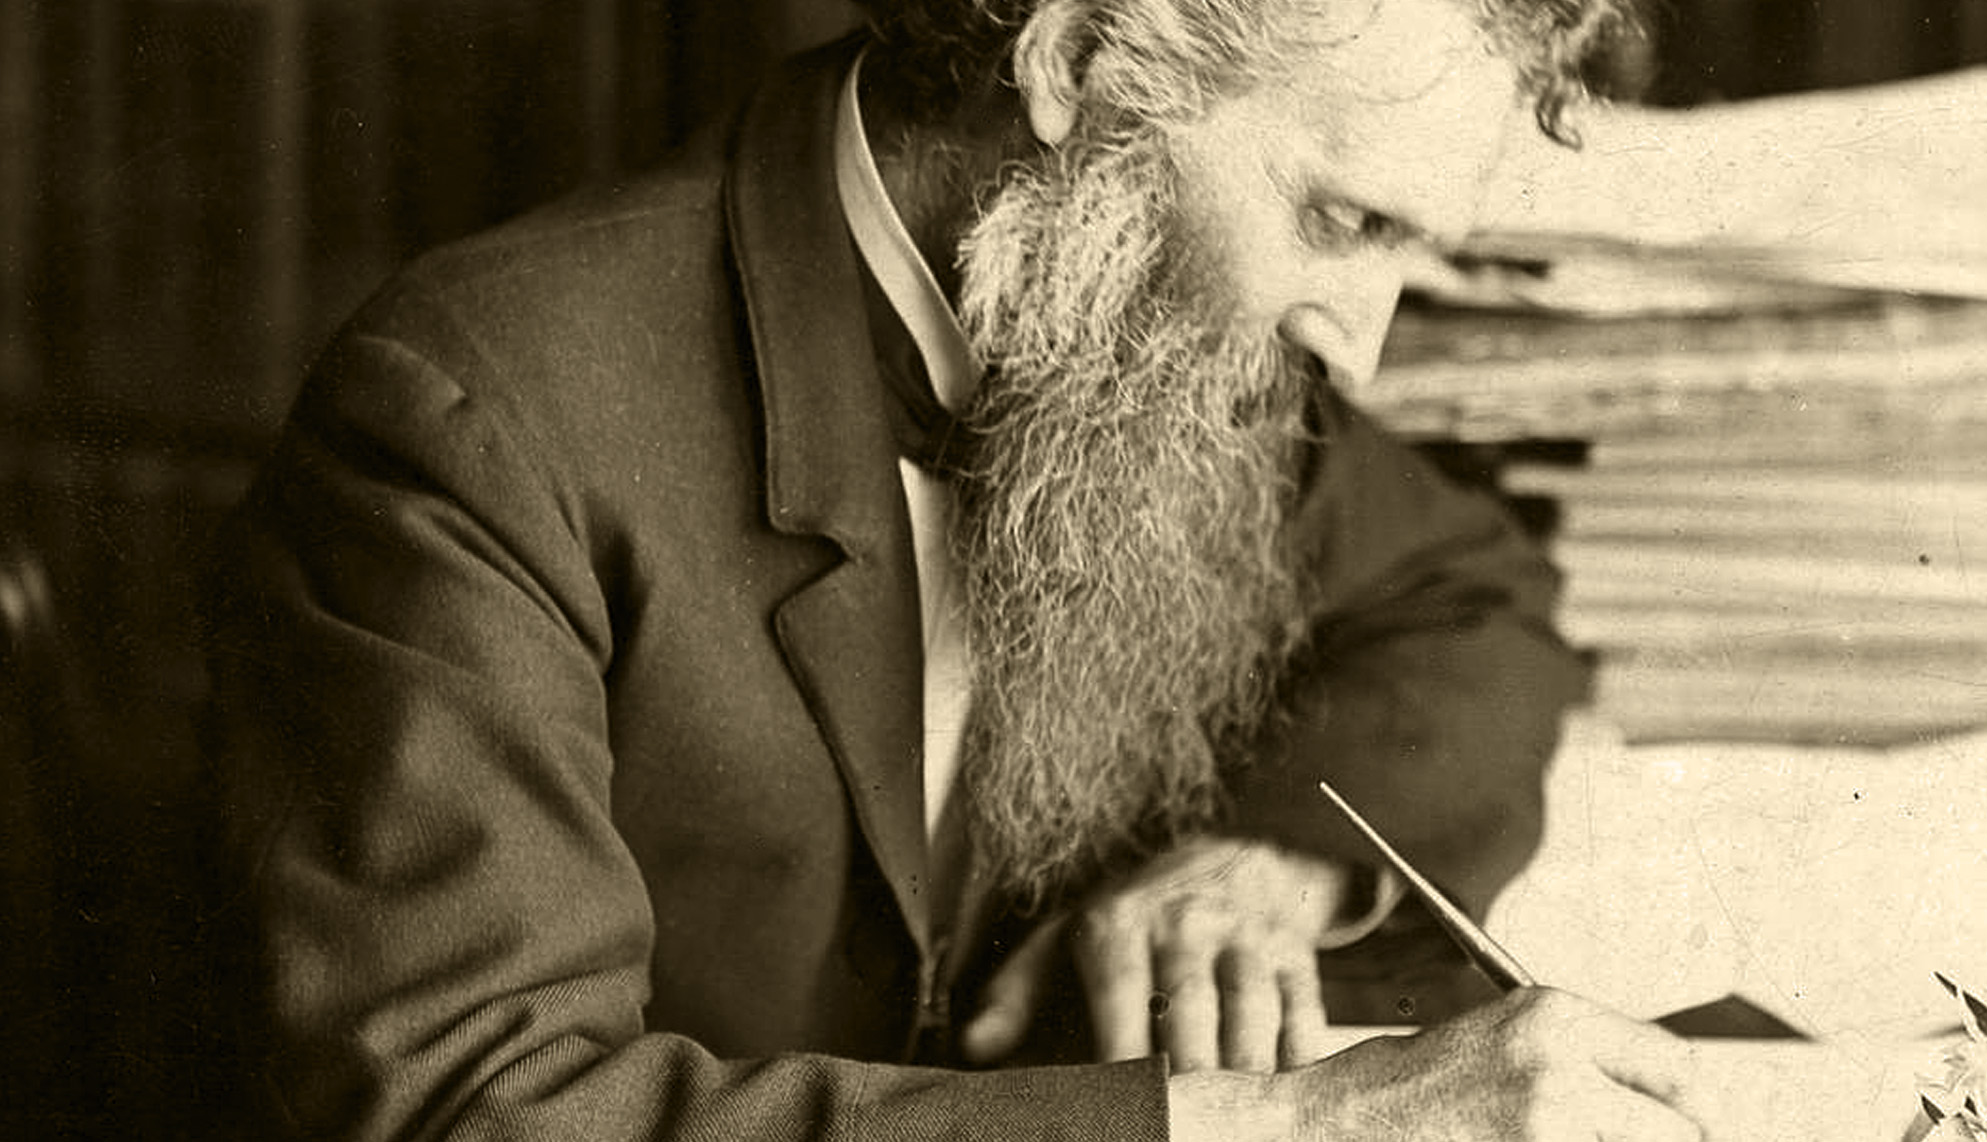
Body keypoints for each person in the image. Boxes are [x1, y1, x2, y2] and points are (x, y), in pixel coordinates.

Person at [200, 0, 1715, 1138]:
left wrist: (1265, 858)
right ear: (1075, 67)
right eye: (1343, 219)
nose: (1358, 339)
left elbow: (1473, 599)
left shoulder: (1172, 327)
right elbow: (473, 1101)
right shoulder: (478, 412)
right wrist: (1286, 1123)